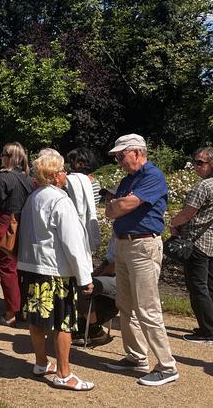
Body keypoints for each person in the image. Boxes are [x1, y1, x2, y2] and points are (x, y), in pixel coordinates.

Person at [103, 134, 178, 386]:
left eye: (121, 156)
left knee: (147, 307)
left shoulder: (152, 176)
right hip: (124, 244)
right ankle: (136, 356)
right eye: (117, 157)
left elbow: (123, 205)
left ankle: (167, 366)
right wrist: (117, 205)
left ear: (136, 152)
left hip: (144, 244)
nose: (119, 161)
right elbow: (111, 208)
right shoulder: (128, 179)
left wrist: (117, 205)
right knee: (125, 304)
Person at [17, 152, 94, 391]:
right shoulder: (60, 200)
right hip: (55, 271)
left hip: (33, 268)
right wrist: (85, 277)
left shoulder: (33, 198)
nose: (66, 175)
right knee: (63, 321)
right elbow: (73, 243)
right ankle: (63, 373)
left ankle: (41, 362)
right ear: (54, 175)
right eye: (63, 171)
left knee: (38, 319)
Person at [0, 142, 33, 325]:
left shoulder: (3, 178)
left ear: (10, 157)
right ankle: (21, 308)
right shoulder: (29, 179)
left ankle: (11, 313)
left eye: (3, 154)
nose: (0, 157)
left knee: (7, 268)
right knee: (20, 268)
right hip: (24, 223)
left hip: (6, 223)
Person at [170, 146, 213, 344]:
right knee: (208, 287)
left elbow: (188, 213)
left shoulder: (204, 186)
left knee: (197, 287)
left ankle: (208, 331)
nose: (195, 166)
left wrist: (173, 223)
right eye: (195, 161)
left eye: (200, 162)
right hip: (210, 241)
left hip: (196, 241)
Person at [72, 236, 118, 347]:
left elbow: (117, 263)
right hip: (108, 267)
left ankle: (94, 329)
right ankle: (81, 325)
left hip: (118, 276)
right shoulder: (118, 226)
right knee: (76, 280)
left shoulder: (127, 230)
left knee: (85, 286)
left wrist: (96, 276)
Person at [64, 148, 101, 253]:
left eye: (71, 161)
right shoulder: (95, 182)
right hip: (88, 227)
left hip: (74, 228)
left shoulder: (71, 182)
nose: (69, 164)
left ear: (81, 162)